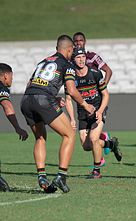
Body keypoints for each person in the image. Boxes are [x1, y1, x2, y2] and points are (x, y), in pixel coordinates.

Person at [20, 35, 95, 193]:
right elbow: (72, 91)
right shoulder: (67, 64)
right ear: (69, 50)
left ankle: (41, 176)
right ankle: (61, 176)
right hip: (43, 100)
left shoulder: (43, 61)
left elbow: (31, 84)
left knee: (40, 137)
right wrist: (85, 105)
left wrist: (52, 98)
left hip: (26, 100)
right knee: (69, 134)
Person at [65, 47, 122, 179]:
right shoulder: (70, 77)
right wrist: (72, 119)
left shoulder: (95, 73)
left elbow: (106, 95)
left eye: (83, 57)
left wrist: (100, 111)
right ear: (73, 60)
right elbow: (68, 99)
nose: (81, 60)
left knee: (94, 138)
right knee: (86, 146)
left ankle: (97, 171)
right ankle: (110, 144)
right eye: (78, 57)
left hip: (98, 108)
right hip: (82, 112)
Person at [73, 32, 113, 156]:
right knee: (86, 146)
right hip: (83, 105)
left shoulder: (92, 57)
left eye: (81, 40)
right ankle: (107, 141)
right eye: (76, 41)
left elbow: (108, 71)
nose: (79, 43)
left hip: (96, 100)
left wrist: (102, 88)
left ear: (85, 42)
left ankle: (98, 166)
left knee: (93, 138)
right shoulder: (71, 60)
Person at [0, 63, 28, 192]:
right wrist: (17, 127)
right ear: (5, 75)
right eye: (11, 76)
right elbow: (8, 106)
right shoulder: (2, 87)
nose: (12, 79)